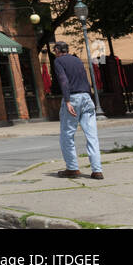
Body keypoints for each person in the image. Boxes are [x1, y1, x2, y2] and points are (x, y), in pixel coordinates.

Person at [53, 41, 103, 179]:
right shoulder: (77, 60)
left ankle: (73, 168)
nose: (54, 53)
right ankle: (97, 170)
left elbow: (63, 80)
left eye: (54, 51)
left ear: (57, 50)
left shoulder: (58, 62)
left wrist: (67, 100)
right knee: (92, 135)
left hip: (73, 98)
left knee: (67, 134)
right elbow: (84, 79)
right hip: (86, 97)